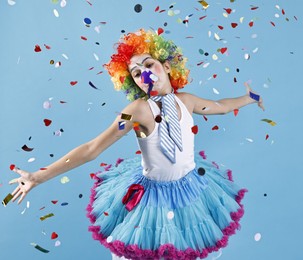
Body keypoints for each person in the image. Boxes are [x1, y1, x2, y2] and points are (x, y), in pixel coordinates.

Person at [8, 29, 265, 260]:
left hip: (189, 193)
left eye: (149, 65)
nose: (145, 74)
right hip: (150, 201)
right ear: (134, 83)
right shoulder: (137, 112)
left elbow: (221, 107)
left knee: (182, 252)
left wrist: (250, 97)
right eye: (136, 73)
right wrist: (39, 177)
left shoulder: (187, 101)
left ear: (166, 66)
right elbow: (93, 148)